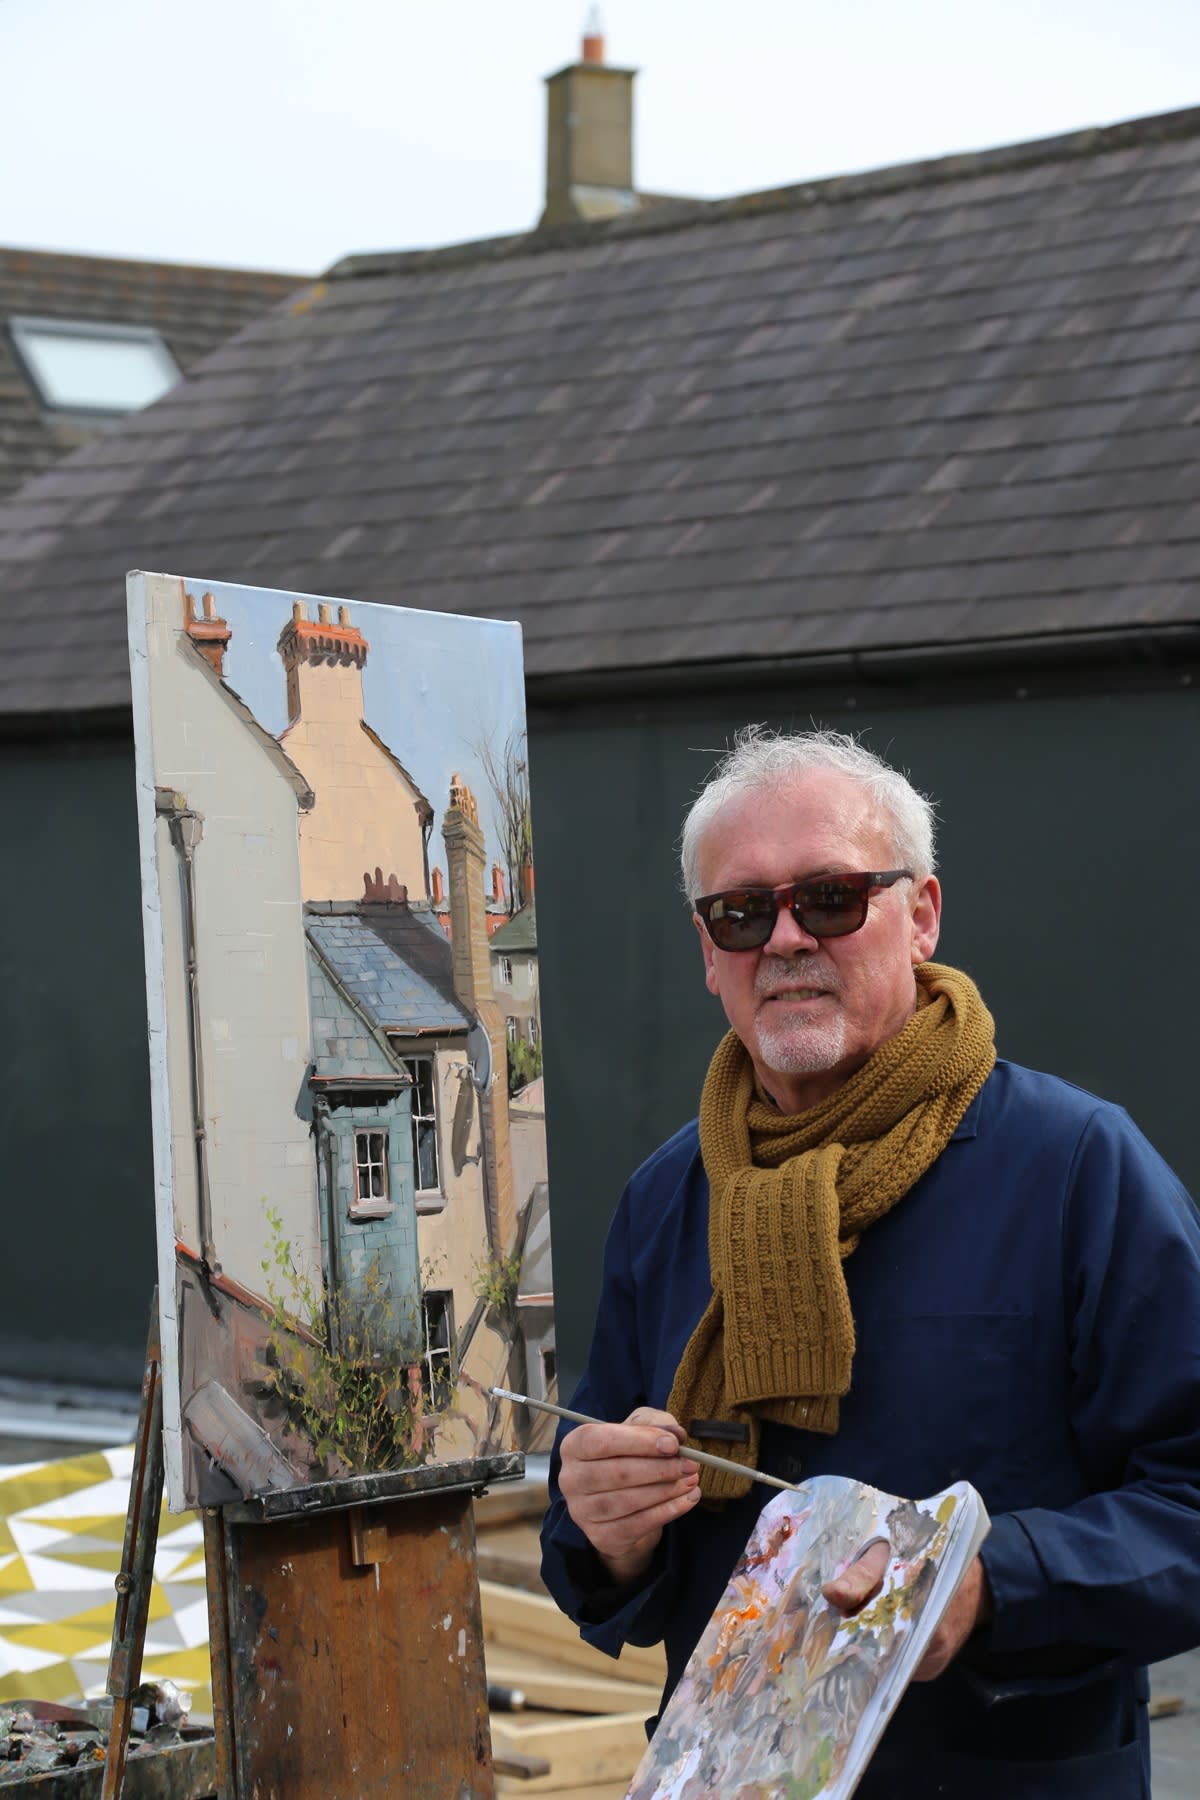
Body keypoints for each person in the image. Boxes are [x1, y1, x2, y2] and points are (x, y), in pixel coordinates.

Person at [540, 726, 1200, 1798]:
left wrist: (989, 1584)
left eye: (833, 898)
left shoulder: (1078, 1167)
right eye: (743, 912)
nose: (787, 939)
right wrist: (606, 1530)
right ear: (708, 953)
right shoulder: (669, 1198)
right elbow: (607, 1541)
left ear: (923, 916)